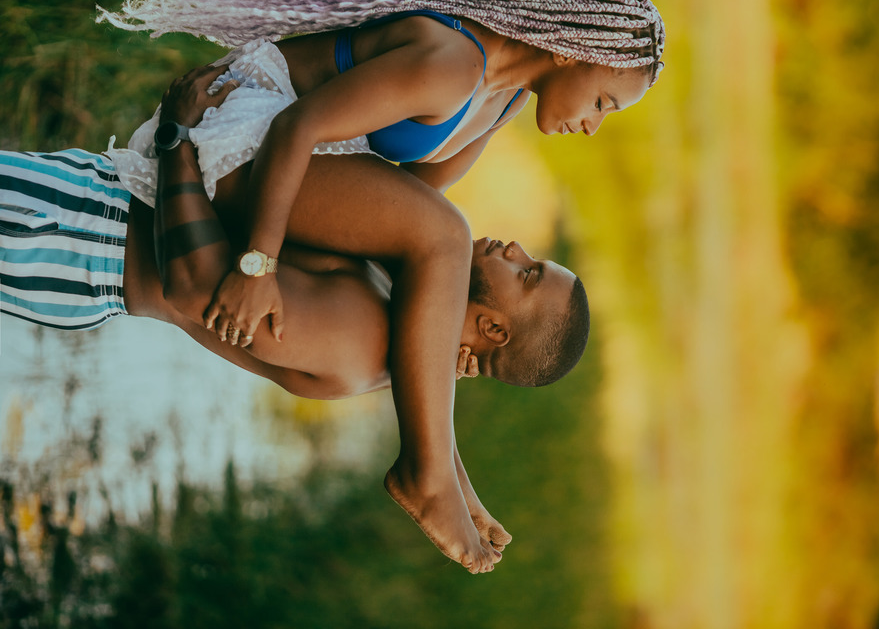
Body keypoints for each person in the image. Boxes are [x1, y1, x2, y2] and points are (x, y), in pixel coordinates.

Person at [0, 65, 589, 572]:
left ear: (493, 330)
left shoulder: (362, 341)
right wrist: (516, 91)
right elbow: (418, 212)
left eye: (529, 273)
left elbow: (192, 287)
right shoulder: (391, 293)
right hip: (82, 200)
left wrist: (176, 137)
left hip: (73, 241)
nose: (515, 248)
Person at [97, 0, 665, 342]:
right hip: (254, 120)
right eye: (603, 104)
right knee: (434, 240)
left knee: (382, 286)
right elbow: (299, 126)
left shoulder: (507, 97)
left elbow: (411, 199)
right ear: (571, 50)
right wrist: (256, 265)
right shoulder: (454, 66)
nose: (593, 125)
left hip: (298, 151)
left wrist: (451, 322)